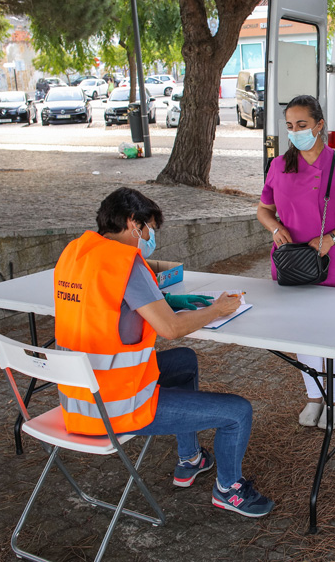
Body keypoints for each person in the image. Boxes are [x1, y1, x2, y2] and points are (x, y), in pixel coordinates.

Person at [54, 187, 274, 518]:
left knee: (184, 361)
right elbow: (170, 329)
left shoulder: (77, 252)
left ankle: (190, 459)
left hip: (79, 398)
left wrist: (168, 301)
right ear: (133, 223)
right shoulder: (125, 262)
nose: (149, 238)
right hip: (117, 406)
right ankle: (229, 490)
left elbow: (110, 306)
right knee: (238, 412)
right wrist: (217, 309)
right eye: (149, 229)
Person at [256, 95, 335, 431]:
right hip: (292, 264)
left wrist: (331, 238)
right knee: (302, 335)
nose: (295, 132)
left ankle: (334, 401)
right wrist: (276, 228)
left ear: (320, 125)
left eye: (302, 125)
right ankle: (314, 397)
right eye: (290, 126)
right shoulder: (279, 166)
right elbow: (263, 209)